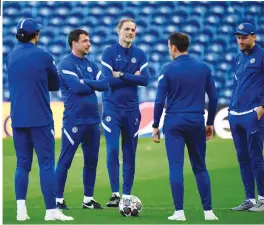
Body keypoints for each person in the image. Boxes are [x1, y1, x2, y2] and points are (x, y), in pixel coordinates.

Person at [6, 18, 73, 221]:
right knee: (46, 164)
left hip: (17, 117)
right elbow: (55, 84)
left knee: (22, 164)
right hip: (41, 118)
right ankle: (51, 210)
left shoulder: (10, 56)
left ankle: (21, 210)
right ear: (36, 34)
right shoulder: (44, 56)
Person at [152, 32, 218, 221]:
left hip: (174, 123)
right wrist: (210, 122)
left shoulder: (167, 69)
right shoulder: (203, 68)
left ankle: (179, 212)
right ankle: (208, 212)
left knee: (176, 168)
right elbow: (213, 98)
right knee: (200, 167)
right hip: (196, 121)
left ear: (173, 47)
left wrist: (156, 124)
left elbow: (158, 101)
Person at [55, 29, 108, 210]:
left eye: (89, 40)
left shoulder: (91, 65)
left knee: (92, 161)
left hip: (93, 120)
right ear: (74, 43)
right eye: (85, 41)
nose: (89, 44)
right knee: (65, 160)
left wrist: (86, 82)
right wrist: (89, 83)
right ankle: (58, 200)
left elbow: (105, 84)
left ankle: (88, 200)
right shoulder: (66, 63)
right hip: (74, 120)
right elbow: (76, 88)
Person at [101, 18, 150, 207]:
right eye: (127, 29)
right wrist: (132, 77)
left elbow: (145, 80)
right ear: (118, 31)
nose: (131, 32)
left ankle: (127, 195)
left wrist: (120, 74)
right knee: (113, 150)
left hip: (131, 111)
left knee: (129, 153)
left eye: (133, 30)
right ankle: (115, 193)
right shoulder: (109, 52)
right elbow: (107, 81)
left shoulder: (140, 53)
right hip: (111, 109)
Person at [228, 23, 264, 212]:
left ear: (253, 36)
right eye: (238, 37)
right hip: (235, 114)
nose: (240, 40)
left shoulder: (262, 55)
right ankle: (250, 199)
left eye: (244, 37)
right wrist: (230, 108)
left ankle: (263, 199)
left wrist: (262, 107)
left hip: (253, 114)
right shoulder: (239, 57)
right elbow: (237, 84)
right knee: (242, 157)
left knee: (255, 156)